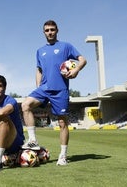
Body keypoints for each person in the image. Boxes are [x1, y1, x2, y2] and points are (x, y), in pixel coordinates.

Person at [21, 20, 87, 166]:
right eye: (47, 30)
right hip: (44, 88)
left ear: (57, 31)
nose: (50, 32)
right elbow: (39, 69)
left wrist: (76, 70)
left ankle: (63, 156)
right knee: (25, 105)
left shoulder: (66, 46)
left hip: (60, 90)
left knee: (62, 122)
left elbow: (83, 60)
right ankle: (32, 140)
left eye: (52, 29)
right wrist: (38, 86)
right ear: (43, 32)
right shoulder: (40, 51)